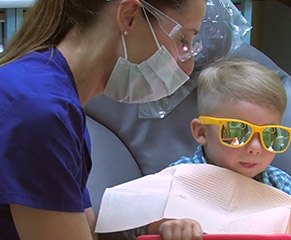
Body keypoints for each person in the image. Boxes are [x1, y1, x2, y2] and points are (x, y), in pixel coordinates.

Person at [0, 0, 206, 239]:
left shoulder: (55, 97)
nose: (188, 65)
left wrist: (150, 228)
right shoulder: (41, 112)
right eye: (183, 40)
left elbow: (84, 227)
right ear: (129, 15)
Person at [138, 58, 291, 240]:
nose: (255, 148)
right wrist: (167, 225)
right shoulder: (180, 177)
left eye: (271, 135)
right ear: (202, 132)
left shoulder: (279, 183)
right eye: (237, 131)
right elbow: (141, 225)